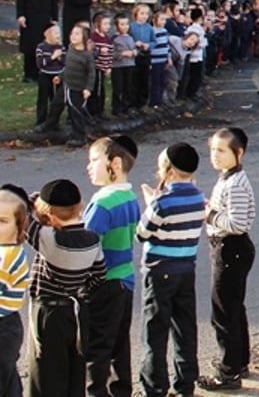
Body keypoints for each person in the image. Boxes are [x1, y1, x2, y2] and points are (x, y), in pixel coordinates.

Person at [136, 144, 205, 397]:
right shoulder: (198, 197)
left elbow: (141, 234)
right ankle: (185, 382)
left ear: (169, 170)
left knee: (154, 331)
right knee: (184, 327)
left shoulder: (162, 203)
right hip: (186, 268)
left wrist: (150, 204)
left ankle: (154, 387)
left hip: (159, 271)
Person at [28, 178, 106, 397]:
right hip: (76, 313)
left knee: (45, 376)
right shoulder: (92, 240)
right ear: (79, 207)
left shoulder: (49, 239)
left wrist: (35, 199)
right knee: (74, 374)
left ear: (48, 214)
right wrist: (80, 287)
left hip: (48, 313)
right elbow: (99, 275)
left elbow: (22, 212)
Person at [198, 128, 256, 391]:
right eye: (213, 150)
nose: (215, 156)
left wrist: (209, 215)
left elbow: (238, 222)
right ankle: (239, 360)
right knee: (233, 306)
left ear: (238, 152)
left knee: (223, 311)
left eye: (221, 151)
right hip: (227, 247)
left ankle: (228, 371)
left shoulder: (235, 183)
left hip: (231, 248)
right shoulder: (228, 178)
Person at [83, 135, 141, 397]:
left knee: (96, 347)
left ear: (114, 163)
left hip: (101, 283)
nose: (89, 166)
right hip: (124, 279)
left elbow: (86, 245)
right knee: (119, 345)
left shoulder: (103, 203)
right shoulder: (129, 197)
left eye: (94, 160)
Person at [0, 187, 30, 397]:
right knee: (8, 381)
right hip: (8, 324)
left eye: (2, 221)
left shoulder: (8, 255)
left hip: (3, 328)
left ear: (18, 227)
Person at [34, 21, 65, 131]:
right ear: (47, 34)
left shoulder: (61, 47)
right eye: (55, 33)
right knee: (42, 99)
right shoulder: (41, 48)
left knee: (55, 100)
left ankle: (54, 121)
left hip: (57, 77)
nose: (58, 35)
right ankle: (41, 121)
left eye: (59, 33)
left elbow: (65, 62)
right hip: (45, 76)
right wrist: (52, 57)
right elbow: (40, 64)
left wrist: (60, 58)